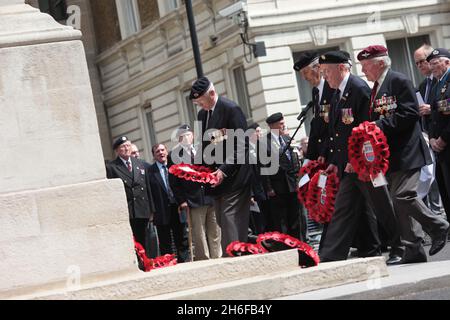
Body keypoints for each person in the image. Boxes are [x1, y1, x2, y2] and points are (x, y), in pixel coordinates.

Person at [358, 45, 449, 264]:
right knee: (398, 203)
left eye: (365, 65)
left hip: (408, 151)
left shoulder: (398, 81)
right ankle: (414, 249)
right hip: (391, 155)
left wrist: (378, 125)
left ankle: (438, 226)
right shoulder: (376, 88)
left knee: (403, 196)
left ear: (380, 63)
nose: (363, 71)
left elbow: (410, 113)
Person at [317, 50, 402, 263]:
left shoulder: (358, 89)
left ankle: (400, 246)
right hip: (347, 166)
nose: (324, 76)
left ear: (341, 68)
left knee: (383, 206)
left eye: (327, 71)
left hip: (365, 164)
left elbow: (367, 129)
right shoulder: (337, 93)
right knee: (342, 209)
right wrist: (336, 163)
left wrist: (357, 161)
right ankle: (330, 256)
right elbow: (337, 134)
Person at [190, 76, 252, 254]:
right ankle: (237, 254)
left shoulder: (230, 109)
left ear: (212, 93)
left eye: (202, 101)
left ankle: (234, 257)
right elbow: (203, 146)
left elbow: (242, 146)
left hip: (235, 176)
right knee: (221, 220)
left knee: (229, 217)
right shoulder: (203, 115)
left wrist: (223, 171)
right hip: (215, 179)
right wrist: (195, 170)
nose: (200, 106)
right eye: (197, 103)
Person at [169, 124, 222, 261]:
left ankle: (217, 256)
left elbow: (211, 168)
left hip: (209, 195)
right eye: (184, 136)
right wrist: (182, 200)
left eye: (189, 135)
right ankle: (204, 258)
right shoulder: (174, 155)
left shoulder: (201, 150)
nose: (187, 138)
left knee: (215, 229)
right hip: (193, 199)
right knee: (199, 232)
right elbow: (174, 183)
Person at [105, 136, 158, 258]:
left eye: (128, 145)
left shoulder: (139, 163)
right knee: (132, 240)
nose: (126, 148)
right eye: (123, 147)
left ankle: (146, 262)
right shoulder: (112, 167)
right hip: (127, 210)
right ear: (117, 151)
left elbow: (147, 187)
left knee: (145, 238)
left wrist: (151, 209)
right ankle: (138, 262)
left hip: (142, 208)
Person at [263, 112, 305, 241]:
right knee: (281, 219)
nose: (283, 126)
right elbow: (263, 167)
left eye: (283, 123)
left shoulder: (287, 139)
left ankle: (298, 243)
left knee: (295, 217)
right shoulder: (264, 142)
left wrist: (298, 181)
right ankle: (284, 245)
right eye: (280, 124)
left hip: (292, 185)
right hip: (277, 187)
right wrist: (269, 188)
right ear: (273, 126)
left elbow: (295, 161)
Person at [414, 44, 444, 216]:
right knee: (433, 180)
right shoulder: (423, 85)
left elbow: (442, 108)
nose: (420, 66)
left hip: (443, 136)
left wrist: (430, 109)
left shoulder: (443, 81)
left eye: (422, 61)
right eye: (416, 63)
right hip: (428, 137)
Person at [148, 143, 189, 263]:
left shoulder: (175, 167)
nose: (161, 153)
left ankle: (184, 262)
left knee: (181, 237)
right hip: (161, 211)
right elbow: (150, 193)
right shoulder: (150, 171)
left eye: (162, 150)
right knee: (165, 240)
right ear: (154, 156)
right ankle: (168, 262)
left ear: (166, 151)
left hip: (177, 208)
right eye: (157, 152)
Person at [294, 51, 335, 163]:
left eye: (306, 72)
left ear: (318, 68)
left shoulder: (332, 87)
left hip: (334, 152)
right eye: (301, 74)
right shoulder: (316, 92)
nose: (304, 78)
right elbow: (317, 125)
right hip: (323, 155)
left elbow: (332, 126)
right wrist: (309, 159)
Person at [428, 48, 450, 223]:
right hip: (440, 148)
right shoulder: (437, 84)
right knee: (445, 190)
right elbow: (434, 116)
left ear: (447, 62)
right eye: (431, 64)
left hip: (447, 143)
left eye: (436, 63)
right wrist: (433, 138)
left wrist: (443, 138)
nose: (432, 67)